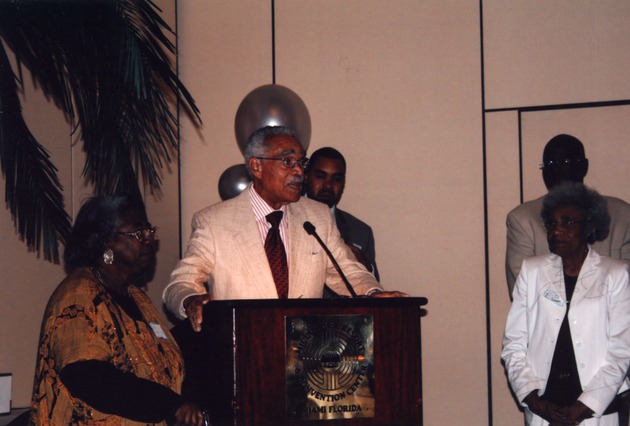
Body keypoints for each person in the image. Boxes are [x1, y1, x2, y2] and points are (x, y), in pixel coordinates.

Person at [163, 126, 406, 332]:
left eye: (302, 162)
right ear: (256, 166)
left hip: (304, 358)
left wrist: (373, 293)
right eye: (288, 161)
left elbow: (349, 272)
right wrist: (189, 300)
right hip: (244, 354)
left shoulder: (317, 216)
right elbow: (179, 284)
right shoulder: (214, 222)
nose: (299, 171)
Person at [29, 195, 206, 426]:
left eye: (149, 231)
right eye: (138, 233)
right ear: (106, 242)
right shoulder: (79, 296)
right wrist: (170, 404)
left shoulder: (135, 297)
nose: (149, 240)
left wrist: (205, 317)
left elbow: (164, 358)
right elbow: (87, 376)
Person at [502, 182, 630, 426]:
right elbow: (513, 345)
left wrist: (586, 405)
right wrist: (533, 399)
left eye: (567, 222)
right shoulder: (532, 271)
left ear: (590, 226)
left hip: (597, 412)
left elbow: (622, 352)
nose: (556, 231)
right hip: (544, 409)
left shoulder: (616, 274)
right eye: (551, 224)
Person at [506, 134, 630, 297]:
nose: (557, 170)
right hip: (550, 320)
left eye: (565, 162)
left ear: (583, 166)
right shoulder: (523, 219)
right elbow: (524, 293)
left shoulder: (621, 214)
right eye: (549, 164)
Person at [305, 147, 379, 281]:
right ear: (306, 177)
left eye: (336, 179)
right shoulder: (285, 216)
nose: (327, 185)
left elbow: (373, 285)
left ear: (344, 183)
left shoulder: (361, 231)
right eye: (320, 177)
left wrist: (365, 266)